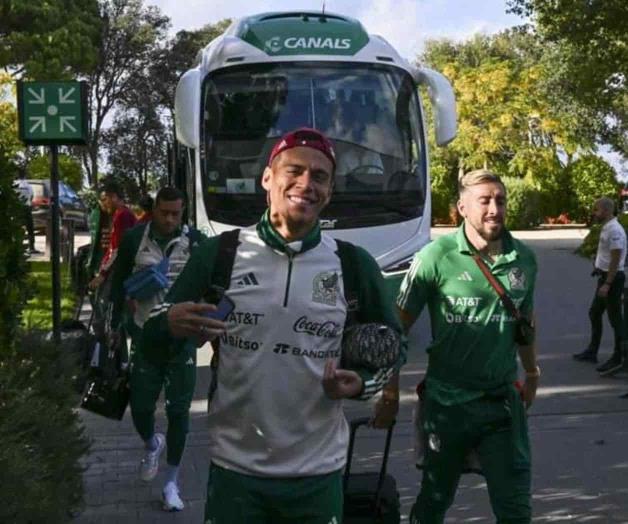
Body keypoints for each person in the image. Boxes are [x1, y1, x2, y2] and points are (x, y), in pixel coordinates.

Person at [142, 127, 406, 523]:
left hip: (318, 477)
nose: (306, 184)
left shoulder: (353, 265)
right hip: (236, 475)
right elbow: (150, 331)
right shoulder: (222, 254)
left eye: (319, 177)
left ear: (330, 191)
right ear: (267, 179)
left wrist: (363, 383)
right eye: (294, 171)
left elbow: (394, 349)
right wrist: (170, 323)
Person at [374, 169, 539, 523]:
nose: (494, 209)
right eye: (485, 201)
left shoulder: (523, 258)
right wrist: (389, 392)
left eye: (500, 200)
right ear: (461, 207)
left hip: (501, 406)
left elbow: (524, 325)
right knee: (434, 500)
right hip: (447, 407)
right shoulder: (435, 257)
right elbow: (395, 328)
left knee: (515, 509)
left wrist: (532, 370)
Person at [109, 187, 206, 511]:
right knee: (139, 407)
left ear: (183, 212)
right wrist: (116, 324)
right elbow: (118, 284)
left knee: (179, 412)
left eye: (175, 214)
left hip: (181, 342)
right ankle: (152, 443)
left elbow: (212, 285)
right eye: (163, 212)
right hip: (145, 337)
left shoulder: (196, 242)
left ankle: (171, 483)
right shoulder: (136, 239)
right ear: (154, 210)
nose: (169, 219)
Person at [573, 197, 627, 376]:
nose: (594, 213)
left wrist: (608, 283)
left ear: (606, 210)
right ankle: (592, 351)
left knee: (615, 319)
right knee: (595, 313)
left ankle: (620, 357)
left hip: (612, 280)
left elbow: (616, 257)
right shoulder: (608, 227)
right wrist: (598, 267)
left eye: (596, 210)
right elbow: (607, 254)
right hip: (604, 277)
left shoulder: (615, 230)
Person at [88, 180, 137, 292]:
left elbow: (118, 249)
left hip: (120, 271)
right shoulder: (120, 214)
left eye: (105, 199)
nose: (103, 204)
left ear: (114, 197)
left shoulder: (123, 216)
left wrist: (103, 274)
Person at [13, 170, 40, 254]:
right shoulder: (28, 186)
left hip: (17, 209)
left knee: (17, 228)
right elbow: (31, 196)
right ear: (25, 176)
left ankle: (17, 246)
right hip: (26, 208)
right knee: (30, 229)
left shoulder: (14, 184)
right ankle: (31, 247)